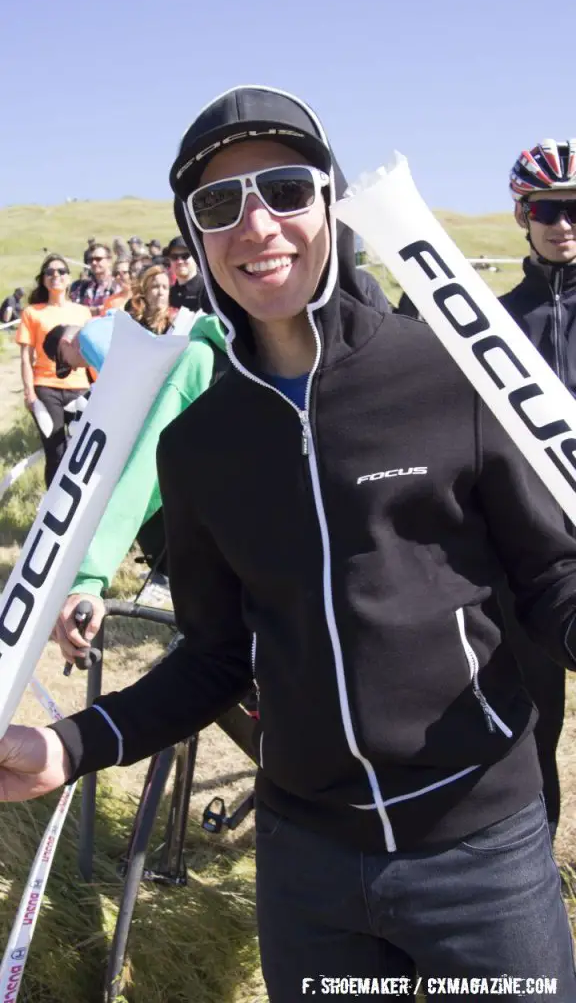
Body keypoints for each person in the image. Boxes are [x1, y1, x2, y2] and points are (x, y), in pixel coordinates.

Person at [3, 87, 576, 1001]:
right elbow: (216, 656)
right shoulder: (198, 444)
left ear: (331, 203)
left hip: (482, 852)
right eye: (219, 205)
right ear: (195, 237)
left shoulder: (450, 373)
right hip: (309, 868)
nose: (257, 223)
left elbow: (551, 574)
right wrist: (74, 744)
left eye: (285, 189)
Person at [40, 308, 228, 650]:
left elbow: (127, 385)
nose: (74, 367)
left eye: (65, 359)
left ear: (67, 343)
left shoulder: (89, 335)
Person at [495, 138, 576, 840]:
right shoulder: (492, 321)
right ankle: (532, 876)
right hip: (531, 554)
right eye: (548, 209)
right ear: (522, 213)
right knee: (532, 721)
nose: (563, 223)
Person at [15, 254, 91, 486]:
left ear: (69, 278)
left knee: (84, 450)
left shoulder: (83, 312)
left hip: (81, 388)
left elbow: (91, 353)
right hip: (46, 388)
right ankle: (53, 505)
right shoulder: (32, 313)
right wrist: (30, 393)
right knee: (56, 450)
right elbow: (26, 358)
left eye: (61, 271)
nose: (55, 275)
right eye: (49, 272)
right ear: (43, 280)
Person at [70, 243, 115, 315]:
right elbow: (74, 310)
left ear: (109, 261)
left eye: (98, 259)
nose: (94, 263)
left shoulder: (117, 285)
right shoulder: (80, 286)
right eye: (91, 260)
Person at [128, 263, 174, 333]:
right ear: (145, 291)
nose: (161, 292)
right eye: (155, 286)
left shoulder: (172, 324)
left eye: (165, 287)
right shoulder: (132, 321)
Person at [166, 235, 204, 312]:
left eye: (185, 256)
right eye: (174, 257)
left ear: (196, 258)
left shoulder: (207, 291)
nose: (179, 261)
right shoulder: (169, 293)